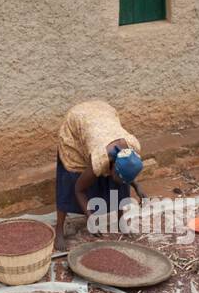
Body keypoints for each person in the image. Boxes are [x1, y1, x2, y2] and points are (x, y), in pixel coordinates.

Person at [54, 99, 145, 251]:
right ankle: (59, 230)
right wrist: (91, 218)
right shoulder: (100, 158)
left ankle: (121, 221)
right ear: (112, 166)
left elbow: (126, 173)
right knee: (70, 179)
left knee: (119, 185)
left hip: (103, 114)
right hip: (77, 123)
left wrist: (137, 186)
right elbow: (79, 190)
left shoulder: (132, 148)